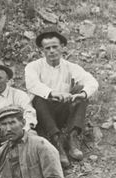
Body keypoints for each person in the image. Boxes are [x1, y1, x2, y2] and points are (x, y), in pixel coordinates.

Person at [25, 30, 98, 167]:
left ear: (62, 47)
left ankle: (72, 138)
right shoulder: (33, 67)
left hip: (62, 111)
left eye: (55, 47)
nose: (52, 51)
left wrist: (82, 94)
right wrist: (53, 94)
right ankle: (56, 141)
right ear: (42, 50)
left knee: (81, 94)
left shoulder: (70, 67)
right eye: (47, 48)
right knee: (38, 98)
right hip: (43, 114)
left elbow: (92, 82)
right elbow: (32, 84)